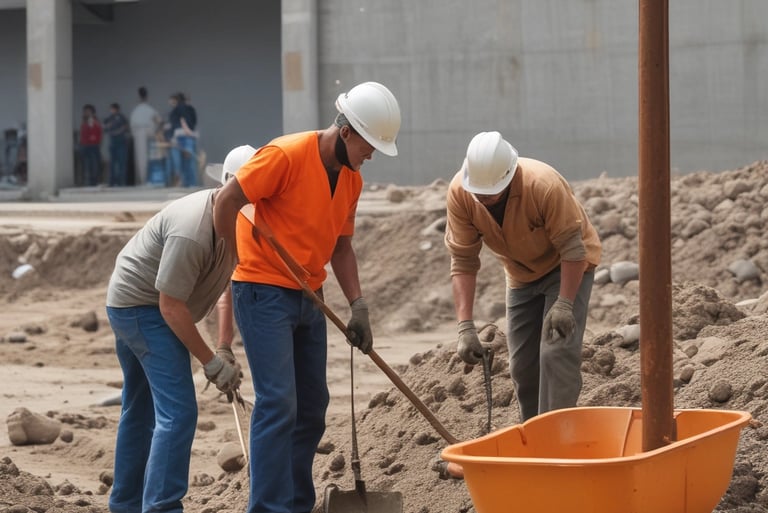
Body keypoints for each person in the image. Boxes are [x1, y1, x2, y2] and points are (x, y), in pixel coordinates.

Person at [214, 81, 401, 513]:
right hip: (262, 290)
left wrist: (358, 305)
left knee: (312, 405)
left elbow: (341, 247)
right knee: (279, 402)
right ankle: (267, 507)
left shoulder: (352, 181)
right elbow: (227, 199)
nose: (372, 154)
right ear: (348, 131)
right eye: (370, 144)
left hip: (308, 295)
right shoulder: (285, 155)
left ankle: (295, 504)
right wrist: (227, 262)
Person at [105, 145, 256, 513]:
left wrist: (223, 347)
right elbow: (170, 307)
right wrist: (210, 363)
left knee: (141, 408)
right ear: (230, 192)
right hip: (140, 307)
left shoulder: (237, 222)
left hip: (148, 305)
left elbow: (227, 287)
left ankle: (125, 504)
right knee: (179, 411)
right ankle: (161, 507)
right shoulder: (193, 230)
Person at [444, 131, 602, 423]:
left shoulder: (543, 185)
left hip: (565, 266)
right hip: (520, 275)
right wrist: (465, 327)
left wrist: (565, 303)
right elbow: (463, 261)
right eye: (478, 193)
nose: (483, 198)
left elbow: (573, 250)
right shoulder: (461, 193)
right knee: (522, 367)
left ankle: (559, 438)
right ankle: (533, 437)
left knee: (556, 354)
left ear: (509, 175)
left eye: (491, 193)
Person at [164, 92, 199, 187]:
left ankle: (185, 183)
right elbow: (194, 122)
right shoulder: (190, 109)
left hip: (180, 136)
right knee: (189, 161)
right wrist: (191, 132)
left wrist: (186, 131)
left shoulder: (177, 109)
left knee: (180, 163)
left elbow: (181, 121)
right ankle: (191, 183)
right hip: (188, 136)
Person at [129, 86, 161, 185]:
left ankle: (144, 180)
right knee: (148, 158)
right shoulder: (150, 109)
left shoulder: (136, 111)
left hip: (141, 134)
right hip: (149, 134)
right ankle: (146, 180)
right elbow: (159, 121)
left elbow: (132, 126)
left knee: (142, 158)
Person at [103, 103, 130, 186]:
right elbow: (105, 127)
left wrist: (116, 131)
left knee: (121, 163)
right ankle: (112, 182)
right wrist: (108, 127)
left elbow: (125, 128)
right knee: (112, 164)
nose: (111, 111)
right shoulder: (109, 118)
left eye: (113, 109)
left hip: (121, 143)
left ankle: (121, 182)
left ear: (116, 109)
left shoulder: (122, 118)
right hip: (112, 143)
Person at [78, 104, 102, 186]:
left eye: (88, 111)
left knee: (93, 166)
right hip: (85, 146)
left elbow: (95, 132)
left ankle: (92, 184)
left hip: (92, 146)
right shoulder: (84, 121)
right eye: (85, 111)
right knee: (86, 166)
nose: (85, 113)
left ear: (92, 112)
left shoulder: (93, 121)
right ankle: (88, 184)